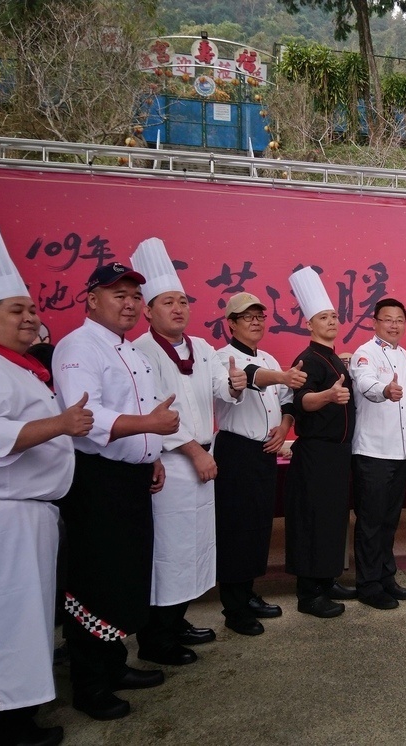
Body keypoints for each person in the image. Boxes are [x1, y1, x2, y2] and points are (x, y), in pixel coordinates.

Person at [0, 222, 87, 746]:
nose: (29, 318)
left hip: (23, 515)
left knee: (19, 623)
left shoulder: (17, 367)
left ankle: (2, 715)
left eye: (31, 309)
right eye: (15, 311)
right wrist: (62, 425)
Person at [52, 262, 180, 721]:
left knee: (125, 578)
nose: (129, 304)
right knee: (95, 581)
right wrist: (149, 427)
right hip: (96, 479)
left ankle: (114, 665)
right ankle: (89, 684)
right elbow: (84, 419)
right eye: (118, 295)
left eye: (133, 297)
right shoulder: (78, 348)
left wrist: (154, 454)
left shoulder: (130, 351)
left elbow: (143, 411)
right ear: (91, 298)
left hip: (131, 478)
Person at [130, 239, 243, 664]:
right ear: (148, 310)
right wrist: (195, 452)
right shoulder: (141, 352)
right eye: (167, 302)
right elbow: (152, 409)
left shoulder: (204, 347)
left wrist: (233, 385)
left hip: (202, 460)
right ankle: (156, 639)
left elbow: (219, 389)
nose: (178, 309)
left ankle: (177, 620)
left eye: (182, 301)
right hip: (174, 465)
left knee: (195, 548)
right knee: (170, 551)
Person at [214, 291, 306, 636]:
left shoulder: (267, 355)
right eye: (247, 317)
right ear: (231, 323)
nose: (255, 322)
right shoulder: (221, 357)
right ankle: (234, 608)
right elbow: (253, 377)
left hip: (265, 452)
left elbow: (287, 402)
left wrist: (283, 430)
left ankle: (249, 593)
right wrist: (281, 376)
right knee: (235, 529)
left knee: (258, 527)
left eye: (260, 316)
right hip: (236, 451)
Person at [284, 267, 357, 619]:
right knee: (313, 519)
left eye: (333, 316)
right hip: (316, 453)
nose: (331, 321)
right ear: (309, 325)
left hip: (338, 455)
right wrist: (327, 395)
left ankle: (327, 580)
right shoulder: (308, 359)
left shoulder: (334, 357)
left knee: (332, 518)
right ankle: (308, 593)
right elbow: (301, 403)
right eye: (323, 317)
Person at [349, 298, 406, 609]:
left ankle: (387, 577)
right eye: (387, 319)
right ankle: (368, 584)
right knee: (371, 522)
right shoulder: (365, 354)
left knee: (390, 522)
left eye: (399, 320)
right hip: (373, 453)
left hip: (400, 454)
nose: (393, 325)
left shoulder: (405, 356)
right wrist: (384, 391)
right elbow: (366, 384)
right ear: (374, 322)